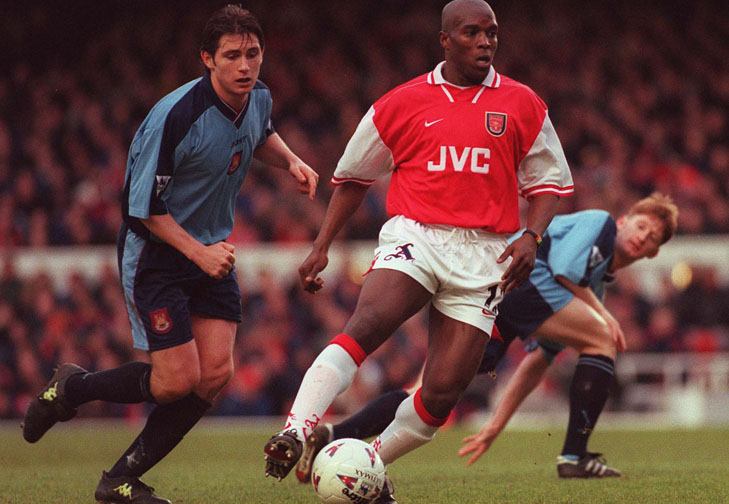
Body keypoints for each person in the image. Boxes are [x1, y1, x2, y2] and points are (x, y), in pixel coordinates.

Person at [263, 1, 573, 502]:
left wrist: (530, 238)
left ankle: (366, 463)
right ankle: (296, 430)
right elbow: (353, 177)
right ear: (445, 40)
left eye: (491, 33)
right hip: (418, 236)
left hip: (487, 255)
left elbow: (551, 186)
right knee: (367, 326)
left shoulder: (523, 104)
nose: (485, 42)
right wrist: (321, 246)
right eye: (472, 33)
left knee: (444, 391)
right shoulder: (401, 103)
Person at [21, 6, 318, 503]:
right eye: (232, 56)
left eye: (253, 53)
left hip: (209, 248)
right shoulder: (176, 116)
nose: (245, 66)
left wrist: (289, 160)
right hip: (158, 252)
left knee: (216, 374)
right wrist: (199, 255)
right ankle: (71, 390)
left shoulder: (257, 96)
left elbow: (258, 134)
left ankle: (118, 481)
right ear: (207, 58)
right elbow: (140, 211)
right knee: (175, 382)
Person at [293, 193, 678, 482]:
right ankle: (575, 456)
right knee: (601, 341)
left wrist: (496, 424)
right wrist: (604, 316)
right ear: (626, 220)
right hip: (511, 284)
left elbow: (538, 361)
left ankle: (334, 434)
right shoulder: (601, 226)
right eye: (643, 226)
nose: (643, 238)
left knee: (428, 395)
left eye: (653, 239)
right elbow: (558, 269)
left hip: (494, 299)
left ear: (654, 254)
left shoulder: (591, 283)